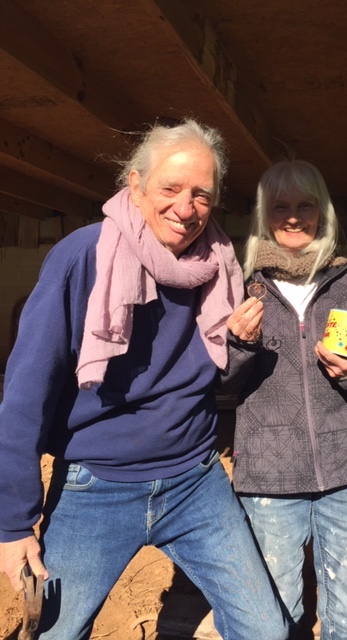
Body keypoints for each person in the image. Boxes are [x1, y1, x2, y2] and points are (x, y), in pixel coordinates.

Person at [0, 119, 291, 640]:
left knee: (266, 630)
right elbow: (24, 392)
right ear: (134, 185)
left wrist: (243, 346)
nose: (187, 208)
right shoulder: (82, 258)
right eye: (171, 188)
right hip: (97, 485)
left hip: (194, 481)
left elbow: (222, 381)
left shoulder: (221, 265)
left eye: (202, 195)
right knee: (56, 635)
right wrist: (14, 522)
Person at [222, 159, 347, 640]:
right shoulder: (243, 284)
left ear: (323, 212)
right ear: (263, 214)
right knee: (274, 613)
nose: (293, 217)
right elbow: (220, 384)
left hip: (346, 467)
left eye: (305, 205)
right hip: (270, 474)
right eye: (280, 206)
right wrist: (239, 346)